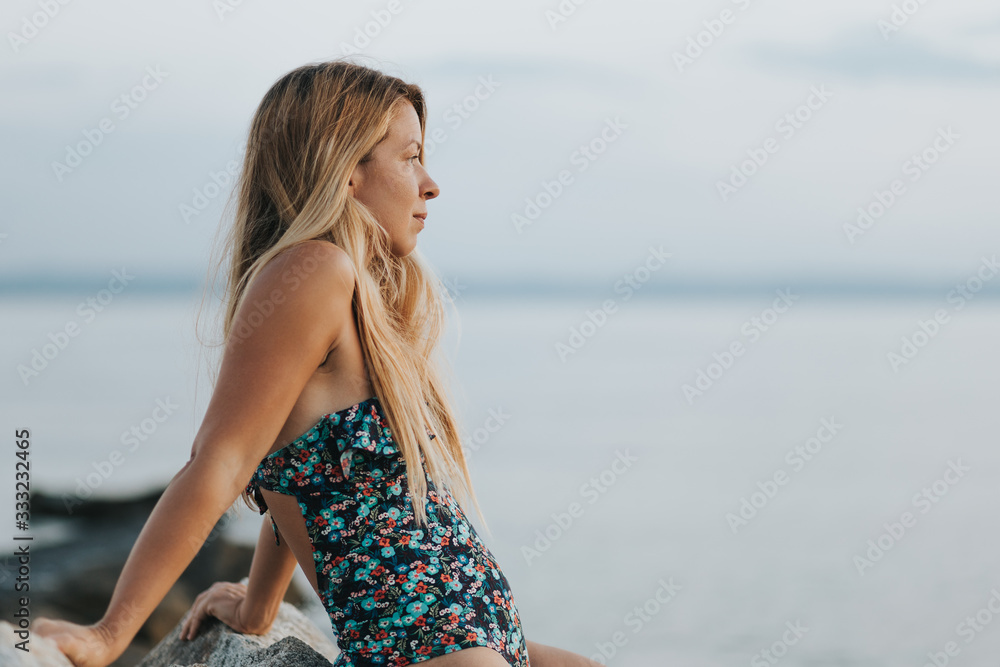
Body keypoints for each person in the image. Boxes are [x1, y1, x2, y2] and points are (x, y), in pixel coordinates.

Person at [34, 59, 600, 667]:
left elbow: (302, 469)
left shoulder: (359, 295)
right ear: (345, 170)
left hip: (484, 630)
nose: (430, 184)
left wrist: (258, 605)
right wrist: (108, 635)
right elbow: (222, 461)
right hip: (430, 644)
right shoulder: (314, 271)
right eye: (410, 158)